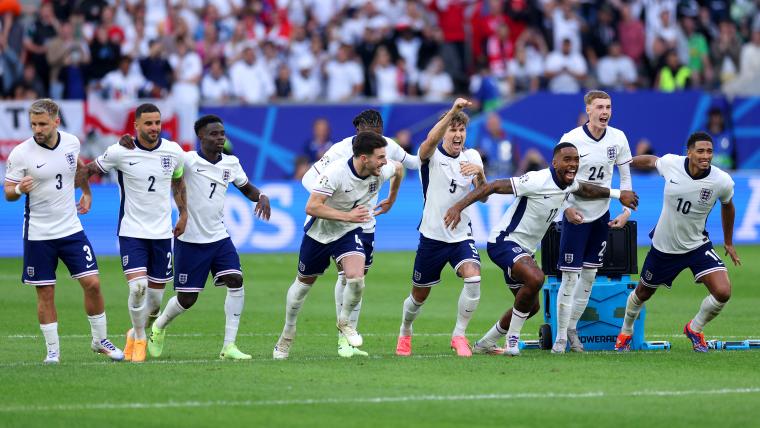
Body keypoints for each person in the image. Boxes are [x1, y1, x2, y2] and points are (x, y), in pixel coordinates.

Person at [443, 143, 638, 356]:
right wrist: (457, 207)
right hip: (504, 242)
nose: (573, 165)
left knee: (531, 305)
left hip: (525, 251)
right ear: (554, 163)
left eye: (576, 160)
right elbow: (494, 186)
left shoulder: (568, 185)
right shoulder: (536, 180)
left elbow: (586, 189)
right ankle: (512, 341)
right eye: (567, 160)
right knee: (536, 279)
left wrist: (619, 194)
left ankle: (485, 343)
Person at [4, 99, 123, 364]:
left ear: (56, 122)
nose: (37, 129)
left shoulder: (71, 142)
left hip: (70, 229)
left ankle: (99, 340)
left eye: (43, 124)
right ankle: (53, 352)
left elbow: (78, 167)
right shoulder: (21, 153)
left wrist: (87, 192)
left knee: (92, 283)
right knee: (45, 293)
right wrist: (21, 189)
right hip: (38, 234)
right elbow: (8, 192)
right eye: (34, 124)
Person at [147, 115, 271, 360]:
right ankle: (158, 327)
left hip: (218, 237)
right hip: (190, 239)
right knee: (187, 299)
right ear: (201, 137)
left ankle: (229, 346)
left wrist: (262, 196)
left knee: (236, 280)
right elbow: (164, 166)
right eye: (214, 134)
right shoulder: (188, 160)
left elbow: (246, 188)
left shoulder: (231, 163)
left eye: (222, 133)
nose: (220, 138)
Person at [273, 131, 403, 360]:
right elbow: (312, 207)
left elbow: (399, 169)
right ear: (364, 158)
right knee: (302, 286)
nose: (385, 162)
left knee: (356, 278)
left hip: (347, 232)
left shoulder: (381, 170)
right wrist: (348, 216)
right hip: (320, 233)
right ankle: (287, 333)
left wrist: (391, 199)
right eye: (380, 157)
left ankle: (344, 322)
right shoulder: (335, 173)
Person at [300, 109, 419, 358]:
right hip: (340, 223)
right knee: (345, 276)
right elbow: (309, 179)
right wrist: (336, 203)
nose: (377, 142)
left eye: (380, 134)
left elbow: (412, 164)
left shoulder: (387, 147)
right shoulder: (339, 151)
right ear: (358, 133)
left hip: (366, 222)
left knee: (357, 281)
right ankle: (343, 339)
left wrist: (391, 199)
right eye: (371, 135)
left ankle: (347, 333)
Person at [80, 103, 188, 363]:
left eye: (157, 123)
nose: (154, 128)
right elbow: (87, 170)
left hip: (162, 234)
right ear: (136, 126)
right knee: (138, 288)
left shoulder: (173, 152)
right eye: (148, 123)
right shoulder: (120, 152)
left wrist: (183, 213)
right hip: (132, 232)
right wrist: (86, 192)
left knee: (154, 303)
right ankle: (140, 338)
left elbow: (178, 181)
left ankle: (133, 332)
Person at [615, 132, 739, 352]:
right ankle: (625, 332)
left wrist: (728, 241)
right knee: (643, 293)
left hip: (697, 246)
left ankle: (695, 328)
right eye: (700, 151)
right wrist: (626, 162)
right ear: (689, 152)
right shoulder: (672, 163)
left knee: (723, 291)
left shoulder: (721, 181)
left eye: (709, 151)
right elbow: (651, 160)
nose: (705, 156)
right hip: (664, 247)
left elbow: (728, 205)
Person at [395, 98, 487, 358]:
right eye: (453, 129)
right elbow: (426, 144)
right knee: (418, 297)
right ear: (445, 130)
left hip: (461, 236)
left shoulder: (472, 156)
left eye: (461, 130)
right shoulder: (432, 155)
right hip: (432, 236)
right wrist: (452, 113)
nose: (458, 135)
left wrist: (480, 174)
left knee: (474, 277)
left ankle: (459, 335)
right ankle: (405, 331)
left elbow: (485, 195)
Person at [553, 90, 634, 354]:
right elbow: (557, 179)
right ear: (588, 110)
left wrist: (625, 211)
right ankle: (560, 339)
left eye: (608, 107)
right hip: (576, 216)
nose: (605, 112)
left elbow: (625, 180)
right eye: (599, 107)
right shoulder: (571, 139)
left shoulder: (619, 138)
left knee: (588, 277)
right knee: (569, 278)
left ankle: (572, 329)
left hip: (601, 216)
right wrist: (565, 209)